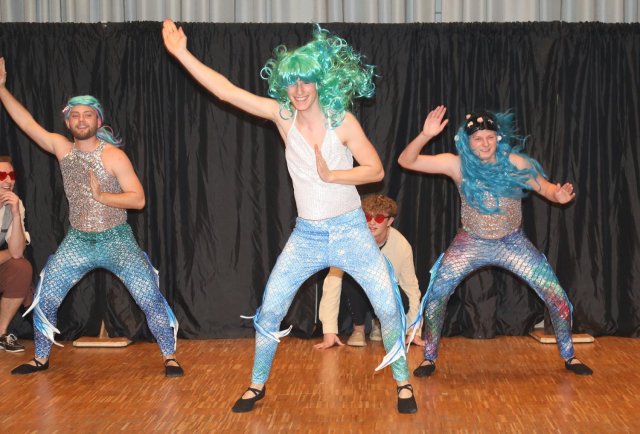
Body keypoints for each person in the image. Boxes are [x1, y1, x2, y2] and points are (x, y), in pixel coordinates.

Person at [162, 21, 416, 413]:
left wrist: (334, 175)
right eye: (292, 82)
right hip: (308, 235)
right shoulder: (283, 117)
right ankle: (256, 384)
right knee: (270, 308)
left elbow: (375, 170)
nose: (298, 90)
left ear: (319, 83)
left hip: (350, 231)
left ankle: (403, 383)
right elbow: (227, 92)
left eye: (306, 81)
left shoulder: (342, 122)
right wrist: (181, 53)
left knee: (386, 306)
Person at [0, 58, 183, 377]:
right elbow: (27, 123)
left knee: (149, 298)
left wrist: (102, 197)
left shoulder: (114, 156)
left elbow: (138, 199)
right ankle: (40, 358)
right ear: (67, 122)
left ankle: (170, 356)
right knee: (46, 297)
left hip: (117, 240)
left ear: (98, 121)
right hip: (78, 241)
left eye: (87, 114)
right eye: (75, 115)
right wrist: (1, 88)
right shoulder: (62, 148)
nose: (81, 119)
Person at [398, 105, 592, 378]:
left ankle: (569, 355)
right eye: (478, 138)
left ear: (498, 138)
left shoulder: (516, 163)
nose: (485, 143)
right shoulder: (457, 164)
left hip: (512, 243)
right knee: (437, 297)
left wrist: (557, 196)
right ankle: (429, 358)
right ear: (467, 142)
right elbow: (406, 161)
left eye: (490, 137)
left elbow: (546, 188)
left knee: (556, 296)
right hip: (470, 242)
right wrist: (425, 135)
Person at [313, 194, 423, 349]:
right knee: (348, 279)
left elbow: (411, 289)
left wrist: (414, 331)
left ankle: (379, 323)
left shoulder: (402, 246)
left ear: (390, 221)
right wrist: (329, 331)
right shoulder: (348, 243)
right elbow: (332, 284)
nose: (372, 222)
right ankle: (358, 328)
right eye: (367, 217)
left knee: (397, 293)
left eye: (379, 218)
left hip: (386, 292)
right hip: (360, 292)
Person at [0, 155, 33, 353]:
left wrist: (15, 214)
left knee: (21, 268)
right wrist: (8, 253)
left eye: (11, 175)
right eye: (2, 175)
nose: (8, 180)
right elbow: (11, 252)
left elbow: (17, 252)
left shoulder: (15, 204)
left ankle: (1, 333)